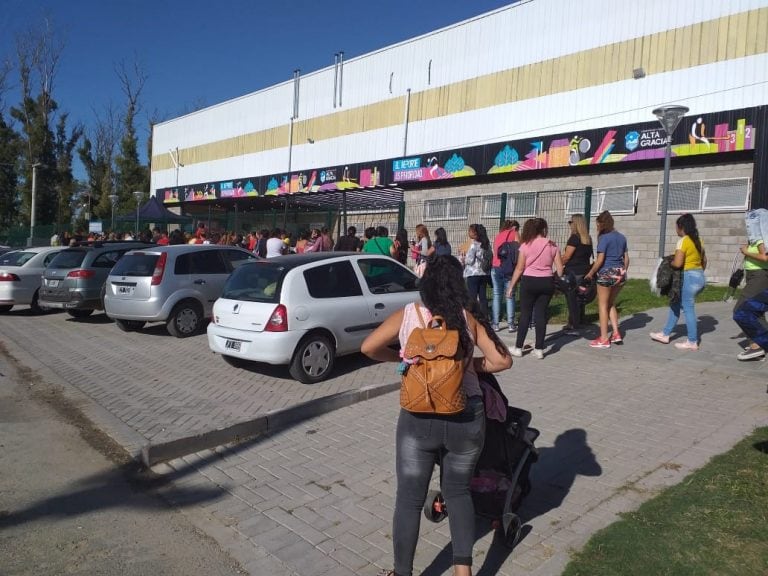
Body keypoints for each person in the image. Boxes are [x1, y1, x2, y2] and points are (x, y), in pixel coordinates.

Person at [360, 255, 512, 576]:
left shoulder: (409, 315)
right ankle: (463, 572)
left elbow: (368, 347)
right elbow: (501, 361)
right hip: (466, 416)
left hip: (418, 419)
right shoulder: (467, 318)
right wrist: (468, 366)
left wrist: (401, 358)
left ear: (426, 283)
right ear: (459, 284)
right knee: (458, 492)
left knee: (410, 500)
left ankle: (402, 573)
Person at [507, 218, 563, 359]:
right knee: (541, 315)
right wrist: (553, 278)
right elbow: (560, 269)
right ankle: (539, 349)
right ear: (544, 229)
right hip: (547, 281)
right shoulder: (552, 245)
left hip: (529, 281)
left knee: (525, 314)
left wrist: (511, 286)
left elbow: (519, 268)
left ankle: (518, 348)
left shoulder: (525, 245)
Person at [649, 214, 707, 350]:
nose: (675, 229)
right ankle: (665, 334)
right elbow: (704, 261)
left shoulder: (683, 241)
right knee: (675, 304)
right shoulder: (699, 240)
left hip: (689, 277)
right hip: (699, 276)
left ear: (681, 227)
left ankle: (692, 341)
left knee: (688, 308)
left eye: (676, 226)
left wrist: (669, 262)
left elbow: (678, 263)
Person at [583, 211, 629, 348]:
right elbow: (626, 258)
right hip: (620, 273)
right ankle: (616, 333)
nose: (596, 227)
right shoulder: (621, 237)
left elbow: (600, 260)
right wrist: (623, 271)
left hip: (606, 273)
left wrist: (590, 273)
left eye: (597, 224)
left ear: (602, 224)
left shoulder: (604, 238)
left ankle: (603, 338)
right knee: (610, 303)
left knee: (602, 305)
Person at [733, 232, 768, 360]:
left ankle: (756, 346)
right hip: (755, 275)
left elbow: (765, 257)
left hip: (760, 276)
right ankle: (760, 345)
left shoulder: (760, 235)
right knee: (757, 312)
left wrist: (746, 252)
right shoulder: (757, 236)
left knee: (740, 310)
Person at [561, 214, 593, 334]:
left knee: (571, 298)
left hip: (573, 272)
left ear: (575, 223)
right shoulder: (588, 238)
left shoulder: (574, 238)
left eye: (570, 222)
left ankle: (573, 324)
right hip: (584, 271)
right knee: (580, 297)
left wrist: (557, 261)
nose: (569, 225)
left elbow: (567, 257)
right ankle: (580, 320)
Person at [491, 220, 519, 332]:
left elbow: (495, 251)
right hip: (508, 268)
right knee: (510, 295)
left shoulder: (497, 236)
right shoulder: (514, 233)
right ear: (514, 227)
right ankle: (511, 324)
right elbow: (519, 249)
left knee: (496, 295)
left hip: (496, 266)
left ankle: (495, 324)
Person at [461, 224, 492, 318]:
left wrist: (463, 259)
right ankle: (485, 315)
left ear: (476, 234)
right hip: (484, 273)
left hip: (473, 273)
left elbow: (470, 260)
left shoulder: (474, 244)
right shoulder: (486, 244)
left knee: (472, 296)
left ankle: (473, 316)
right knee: (483, 296)